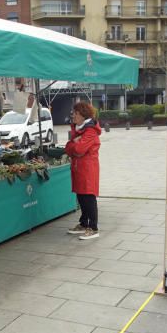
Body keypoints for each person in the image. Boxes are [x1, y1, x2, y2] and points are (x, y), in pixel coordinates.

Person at [65, 101, 101, 240]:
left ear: (82, 115)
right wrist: (74, 143)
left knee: (88, 197)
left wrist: (75, 146)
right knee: (81, 196)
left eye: (75, 113)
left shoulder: (90, 131)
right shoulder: (79, 129)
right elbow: (68, 148)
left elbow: (80, 149)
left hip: (87, 168)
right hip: (78, 167)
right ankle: (83, 223)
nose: (73, 115)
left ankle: (93, 227)